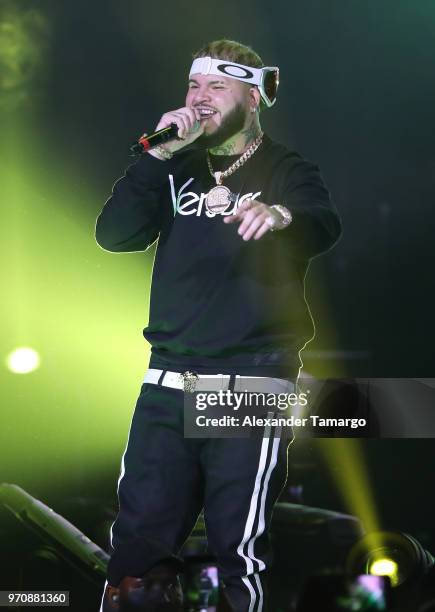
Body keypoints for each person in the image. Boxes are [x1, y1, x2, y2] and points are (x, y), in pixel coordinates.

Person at [96, 39, 342, 612]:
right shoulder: (173, 164)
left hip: (246, 379)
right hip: (167, 378)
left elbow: (321, 224)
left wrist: (281, 215)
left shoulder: (286, 169)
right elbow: (115, 236)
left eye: (216, 87)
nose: (199, 99)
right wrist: (154, 159)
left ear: (253, 97)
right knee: (135, 551)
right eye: (193, 86)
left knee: (238, 548)